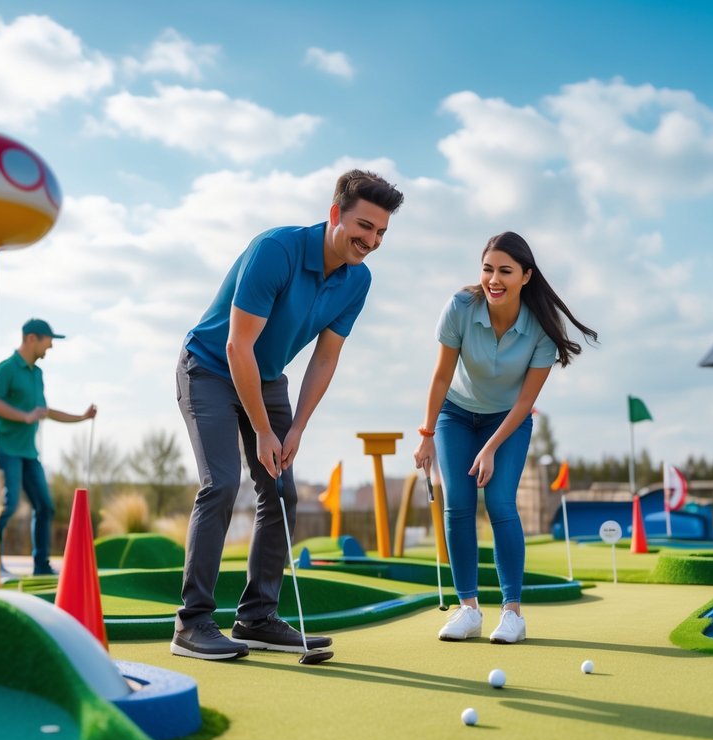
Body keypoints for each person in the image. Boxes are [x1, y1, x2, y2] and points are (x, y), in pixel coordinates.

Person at [173, 170, 405, 661]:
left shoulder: (357, 281)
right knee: (221, 483)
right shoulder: (276, 250)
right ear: (335, 214)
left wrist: (296, 427)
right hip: (211, 368)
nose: (372, 240)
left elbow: (325, 357)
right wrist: (261, 430)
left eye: (381, 233)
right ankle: (192, 624)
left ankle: (257, 618)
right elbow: (238, 346)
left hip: (269, 376)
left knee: (281, 491)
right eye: (364, 226)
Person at [413, 232, 597, 644]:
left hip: (508, 420)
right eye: (487, 269)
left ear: (526, 277)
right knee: (458, 504)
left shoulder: (542, 329)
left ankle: (512, 613)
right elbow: (442, 376)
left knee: (499, 502)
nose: (493, 279)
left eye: (505, 271)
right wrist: (426, 435)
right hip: (455, 414)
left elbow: (526, 401)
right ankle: (468, 610)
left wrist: (491, 447)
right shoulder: (461, 307)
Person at [0, 318, 97, 577]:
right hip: (5, 449)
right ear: (31, 339)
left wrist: (81, 417)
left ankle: (41, 566)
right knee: (8, 505)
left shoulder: (37, 374)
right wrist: (24, 416)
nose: (50, 346)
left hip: (29, 453)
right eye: (48, 340)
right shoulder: (6, 369)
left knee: (45, 506)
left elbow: (45, 411)